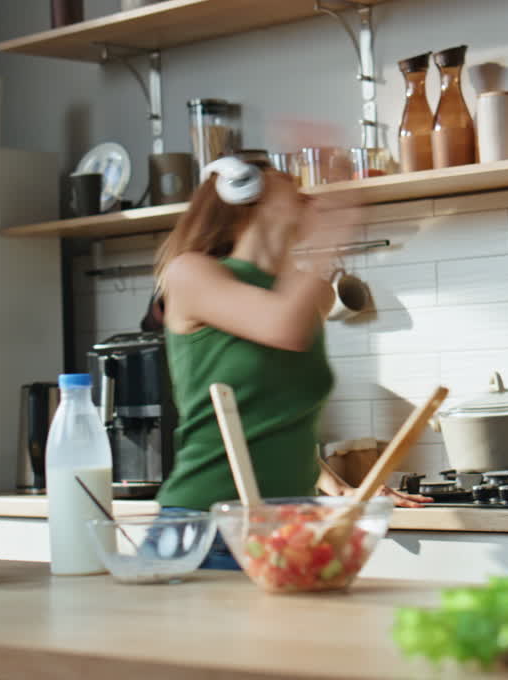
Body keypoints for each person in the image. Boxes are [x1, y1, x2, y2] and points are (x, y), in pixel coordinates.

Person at [153, 157, 429, 569]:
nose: (306, 195)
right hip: (207, 524)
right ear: (244, 190)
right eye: (290, 184)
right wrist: (332, 240)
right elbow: (284, 327)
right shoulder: (190, 273)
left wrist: (338, 486)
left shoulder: (310, 294)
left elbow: (279, 411)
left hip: (287, 525)